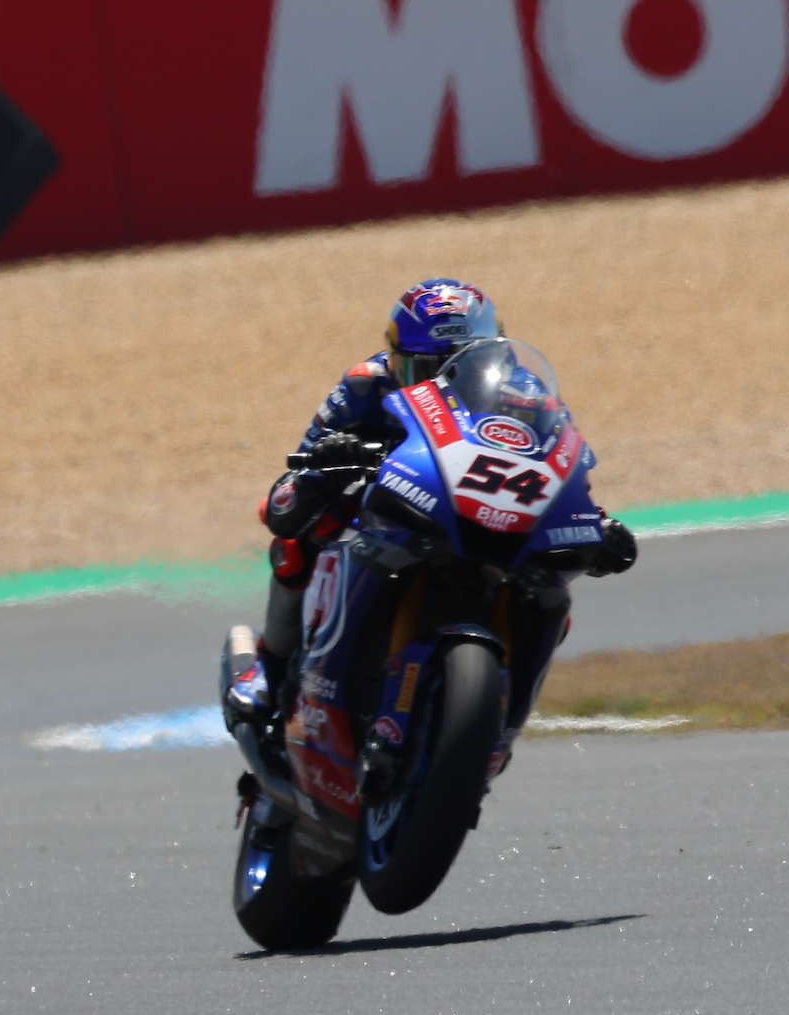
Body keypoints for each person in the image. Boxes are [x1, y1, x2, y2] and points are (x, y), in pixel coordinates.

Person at [223, 280, 636, 726]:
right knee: (299, 534)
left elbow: (563, 462)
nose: (445, 381)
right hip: (392, 505)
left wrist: (593, 520)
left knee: (552, 584)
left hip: (482, 506)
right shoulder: (366, 384)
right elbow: (291, 489)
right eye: (431, 367)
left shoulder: (529, 393)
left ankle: (498, 713)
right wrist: (327, 464)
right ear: (397, 360)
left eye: (467, 364)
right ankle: (272, 666)